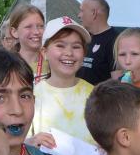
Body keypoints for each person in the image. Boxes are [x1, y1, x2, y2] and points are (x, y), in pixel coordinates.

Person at [30, 17, 96, 146]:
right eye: (60, 45)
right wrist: (31, 142)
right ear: (44, 52)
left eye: (76, 47)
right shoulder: (32, 96)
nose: (69, 53)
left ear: (84, 54)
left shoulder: (96, 95)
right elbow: (20, 143)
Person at [77, 0, 118, 85]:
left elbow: (117, 83)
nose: (79, 15)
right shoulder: (83, 37)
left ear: (94, 13)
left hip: (99, 94)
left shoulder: (115, 41)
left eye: (82, 11)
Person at [9, 4, 48, 82]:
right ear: (14, 32)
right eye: (28, 27)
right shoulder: (7, 65)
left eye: (40, 26)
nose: (36, 32)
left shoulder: (53, 63)